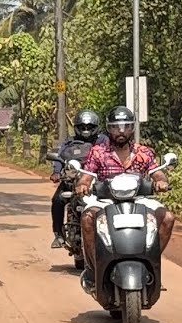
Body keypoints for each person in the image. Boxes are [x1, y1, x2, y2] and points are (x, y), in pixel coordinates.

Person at [74, 106, 175, 289]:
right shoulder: (98, 152)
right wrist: (82, 185)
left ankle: (150, 264)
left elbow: (157, 174)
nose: (121, 131)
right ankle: (93, 269)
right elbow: (86, 176)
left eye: (126, 126)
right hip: (105, 201)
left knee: (167, 218)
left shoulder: (144, 152)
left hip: (139, 200)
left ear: (132, 128)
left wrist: (161, 182)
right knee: (87, 219)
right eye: (115, 127)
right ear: (108, 129)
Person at [50, 109, 106, 249]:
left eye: (89, 127)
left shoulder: (103, 141)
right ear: (76, 128)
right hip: (72, 181)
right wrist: (56, 172)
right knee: (57, 200)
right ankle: (58, 235)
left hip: (98, 181)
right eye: (82, 127)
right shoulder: (69, 142)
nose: (86, 130)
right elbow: (59, 158)